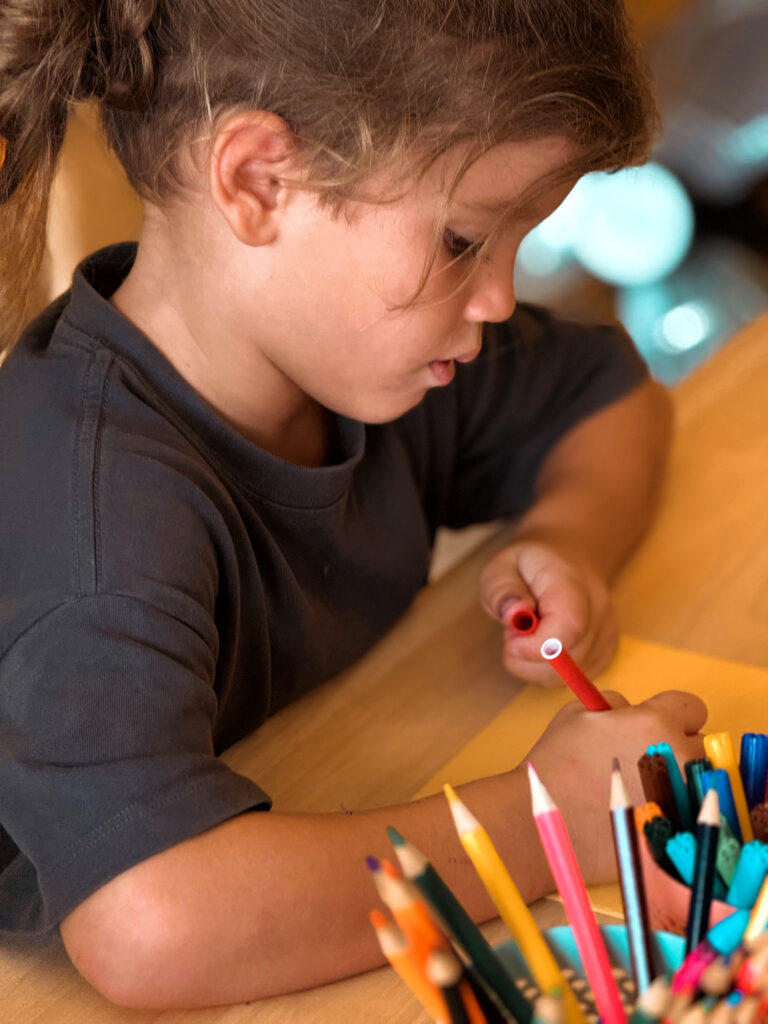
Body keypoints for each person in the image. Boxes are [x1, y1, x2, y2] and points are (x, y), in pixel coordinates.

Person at [0, 0, 707, 1011]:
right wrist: (549, 821)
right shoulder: (95, 517)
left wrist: (567, 536)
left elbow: (606, 395)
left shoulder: (365, 360)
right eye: (464, 240)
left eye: (514, 243)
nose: (500, 298)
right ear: (258, 181)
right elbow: (151, 921)